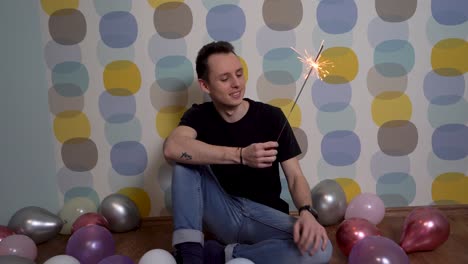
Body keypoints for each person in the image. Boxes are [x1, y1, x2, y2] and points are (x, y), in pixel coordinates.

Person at [163, 41, 332, 264]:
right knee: (184, 161)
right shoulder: (198, 116)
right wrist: (241, 155)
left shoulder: (271, 117)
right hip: (222, 212)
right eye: (225, 79)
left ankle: (224, 255)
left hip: (264, 217)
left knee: (321, 249)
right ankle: (190, 255)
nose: (236, 84)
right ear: (205, 86)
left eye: (239, 74)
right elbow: (172, 148)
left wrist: (307, 211)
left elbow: (295, 176)